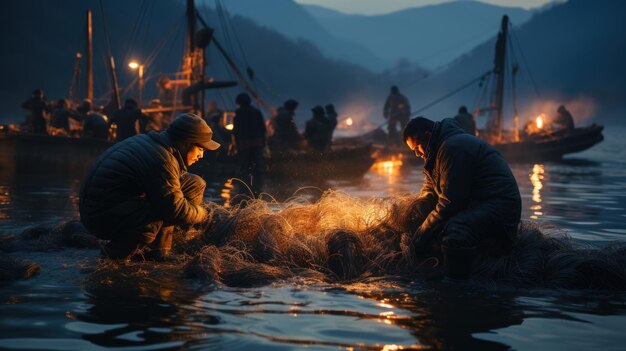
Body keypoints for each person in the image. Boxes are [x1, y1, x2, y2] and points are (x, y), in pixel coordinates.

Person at [79, 113, 221, 261]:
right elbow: (174, 210)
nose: (201, 156)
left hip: (108, 204)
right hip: (98, 216)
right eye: (201, 149)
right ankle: (114, 257)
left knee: (194, 183)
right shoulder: (162, 160)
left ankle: (160, 252)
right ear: (186, 143)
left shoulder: (156, 144)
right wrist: (203, 213)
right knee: (156, 212)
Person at [402, 117, 521, 280]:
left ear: (428, 135)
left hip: (498, 205)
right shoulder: (436, 153)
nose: (417, 154)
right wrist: (417, 207)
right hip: (477, 204)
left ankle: (456, 288)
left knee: (456, 232)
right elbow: (430, 190)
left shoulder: (453, 148)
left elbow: (450, 203)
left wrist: (421, 235)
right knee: (432, 223)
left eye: (417, 148)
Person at [229, 92, 267, 197]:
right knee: (258, 167)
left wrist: (235, 144)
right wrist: (263, 143)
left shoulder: (238, 113)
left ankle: (244, 189)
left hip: (244, 144)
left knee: (244, 167)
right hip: (257, 143)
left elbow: (235, 130)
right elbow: (262, 128)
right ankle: (258, 188)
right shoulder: (256, 112)